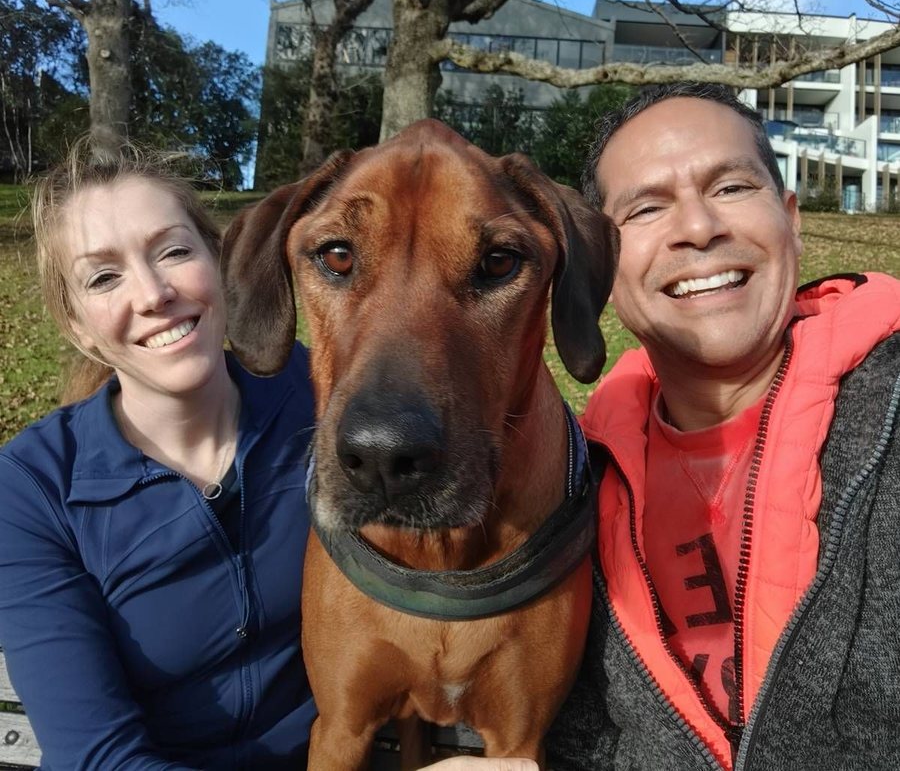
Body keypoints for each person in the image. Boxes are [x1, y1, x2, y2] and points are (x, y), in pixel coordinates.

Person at [0, 140, 540, 771]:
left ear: (225, 264)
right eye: (104, 277)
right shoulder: (31, 490)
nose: (152, 293)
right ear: (76, 324)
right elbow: (95, 757)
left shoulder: (329, 407)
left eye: (173, 252)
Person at [542, 82, 900, 770]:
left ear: (791, 220)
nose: (700, 227)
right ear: (602, 268)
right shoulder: (571, 485)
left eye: (732, 188)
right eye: (648, 207)